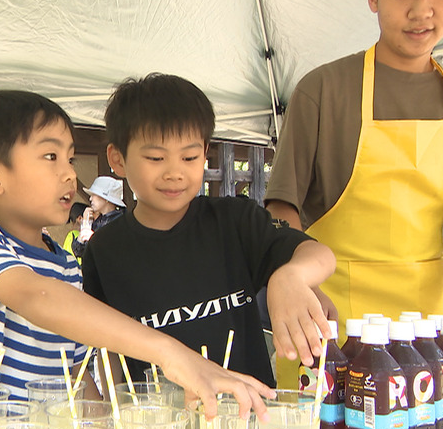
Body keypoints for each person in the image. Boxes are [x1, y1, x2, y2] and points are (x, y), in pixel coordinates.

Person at [0, 90, 274, 429]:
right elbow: (38, 298)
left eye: (70, 158)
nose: (70, 173)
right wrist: (172, 354)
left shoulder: (68, 267)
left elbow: (75, 378)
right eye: (51, 156)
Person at [264, 0, 443, 328]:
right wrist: (300, 284)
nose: (421, 10)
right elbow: (282, 205)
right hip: (326, 314)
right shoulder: (323, 90)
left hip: (427, 328)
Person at [81, 73, 336, 390]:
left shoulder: (233, 221)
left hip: (245, 419)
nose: (175, 173)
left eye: (189, 157)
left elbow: (318, 254)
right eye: (156, 158)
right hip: (159, 427)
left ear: (205, 154)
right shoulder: (105, 250)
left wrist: (291, 276)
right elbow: (107, 348)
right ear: (118, 159)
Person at [70, 175, 126, 259]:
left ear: (106, 198)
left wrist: (94, 238)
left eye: (94, 194)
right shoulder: (98, 221)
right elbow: (78, 251)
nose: (90, 199)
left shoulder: (121, 222)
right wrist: (86, 223)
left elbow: (117, 253)